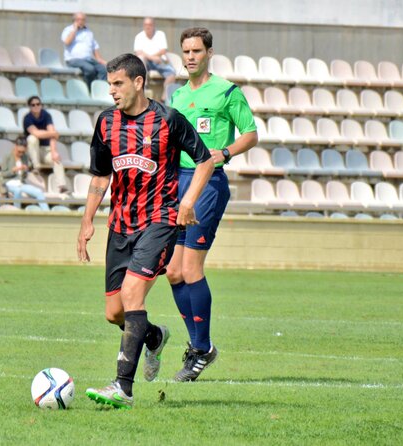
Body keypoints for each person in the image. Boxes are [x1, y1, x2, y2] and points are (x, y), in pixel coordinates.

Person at [77, 53, 214, 409]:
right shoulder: (106, 123)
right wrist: (87, 219)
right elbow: (101, 174)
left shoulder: (168, 120)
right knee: (115, 313)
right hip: (120, 225)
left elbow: (205, 160)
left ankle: (123, 387)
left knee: (133, 295)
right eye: (110, 85)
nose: (112, 91)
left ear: (139, 82)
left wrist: (187, 203)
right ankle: (153, 336)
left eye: (118, 83)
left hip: (160, 221)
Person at [165, 27, 258, 382]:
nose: (190, 56)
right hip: (179, 182)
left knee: (191, 269)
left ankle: (201, 348)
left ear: (209, 53)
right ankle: (199, 345)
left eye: (196, 51)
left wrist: (227, 152)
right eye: (186, 51)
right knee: (172, 271)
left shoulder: (226, 91)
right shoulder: (176, 97)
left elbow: (251, 133)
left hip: (209, 184)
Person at [23, 95, 68, 194]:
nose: (36, 106)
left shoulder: (46, 115)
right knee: (32, 138)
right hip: (33, 151)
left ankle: (61, 186)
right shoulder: (27, 118)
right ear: (30, 107)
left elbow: (52, 136)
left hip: (45, 149)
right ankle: (36, 166)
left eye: (38, 104)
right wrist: (52, 133)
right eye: (33, 105)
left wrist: (53, 152)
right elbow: (36, 133)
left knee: (56, 159)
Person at [0, 136, 49, 211]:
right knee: (17, 190)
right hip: (8, 183)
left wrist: (26, 170)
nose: (21, 154)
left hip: (20, 183)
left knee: (38, 192)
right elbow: (3, 175)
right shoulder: (7, 156)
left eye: (23, 152)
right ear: (15, 146)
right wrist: (13, 170)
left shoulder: (25, 157)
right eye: (19, 151)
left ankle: (47, 213)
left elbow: (24, 176)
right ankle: (17, 212)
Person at [133, 17, 176, 102]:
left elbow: (163, 50)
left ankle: (163, 99)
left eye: (150, 25)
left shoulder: (160, 34)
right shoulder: (139, 36)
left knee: (172, 73)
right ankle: (143, 91)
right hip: (146, 62)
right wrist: (152, 58)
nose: (147, 27)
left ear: (153, 25)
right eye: (145, 25)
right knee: (141, 59)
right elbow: (138, 53)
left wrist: (153, 57)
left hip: (159, 61)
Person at [61, 12, 107, 87]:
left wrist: (102, 61)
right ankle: (89, 90)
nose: (80, 21)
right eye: (78, 19)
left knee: (103, 70)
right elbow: (67, 42)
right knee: (90, 69)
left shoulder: (88, 32)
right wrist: (75, 29)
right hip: (73, 60)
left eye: (83, 20)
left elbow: (95, 48)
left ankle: (99, 90)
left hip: (88, 60)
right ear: (74, 20)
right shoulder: (68, 30)